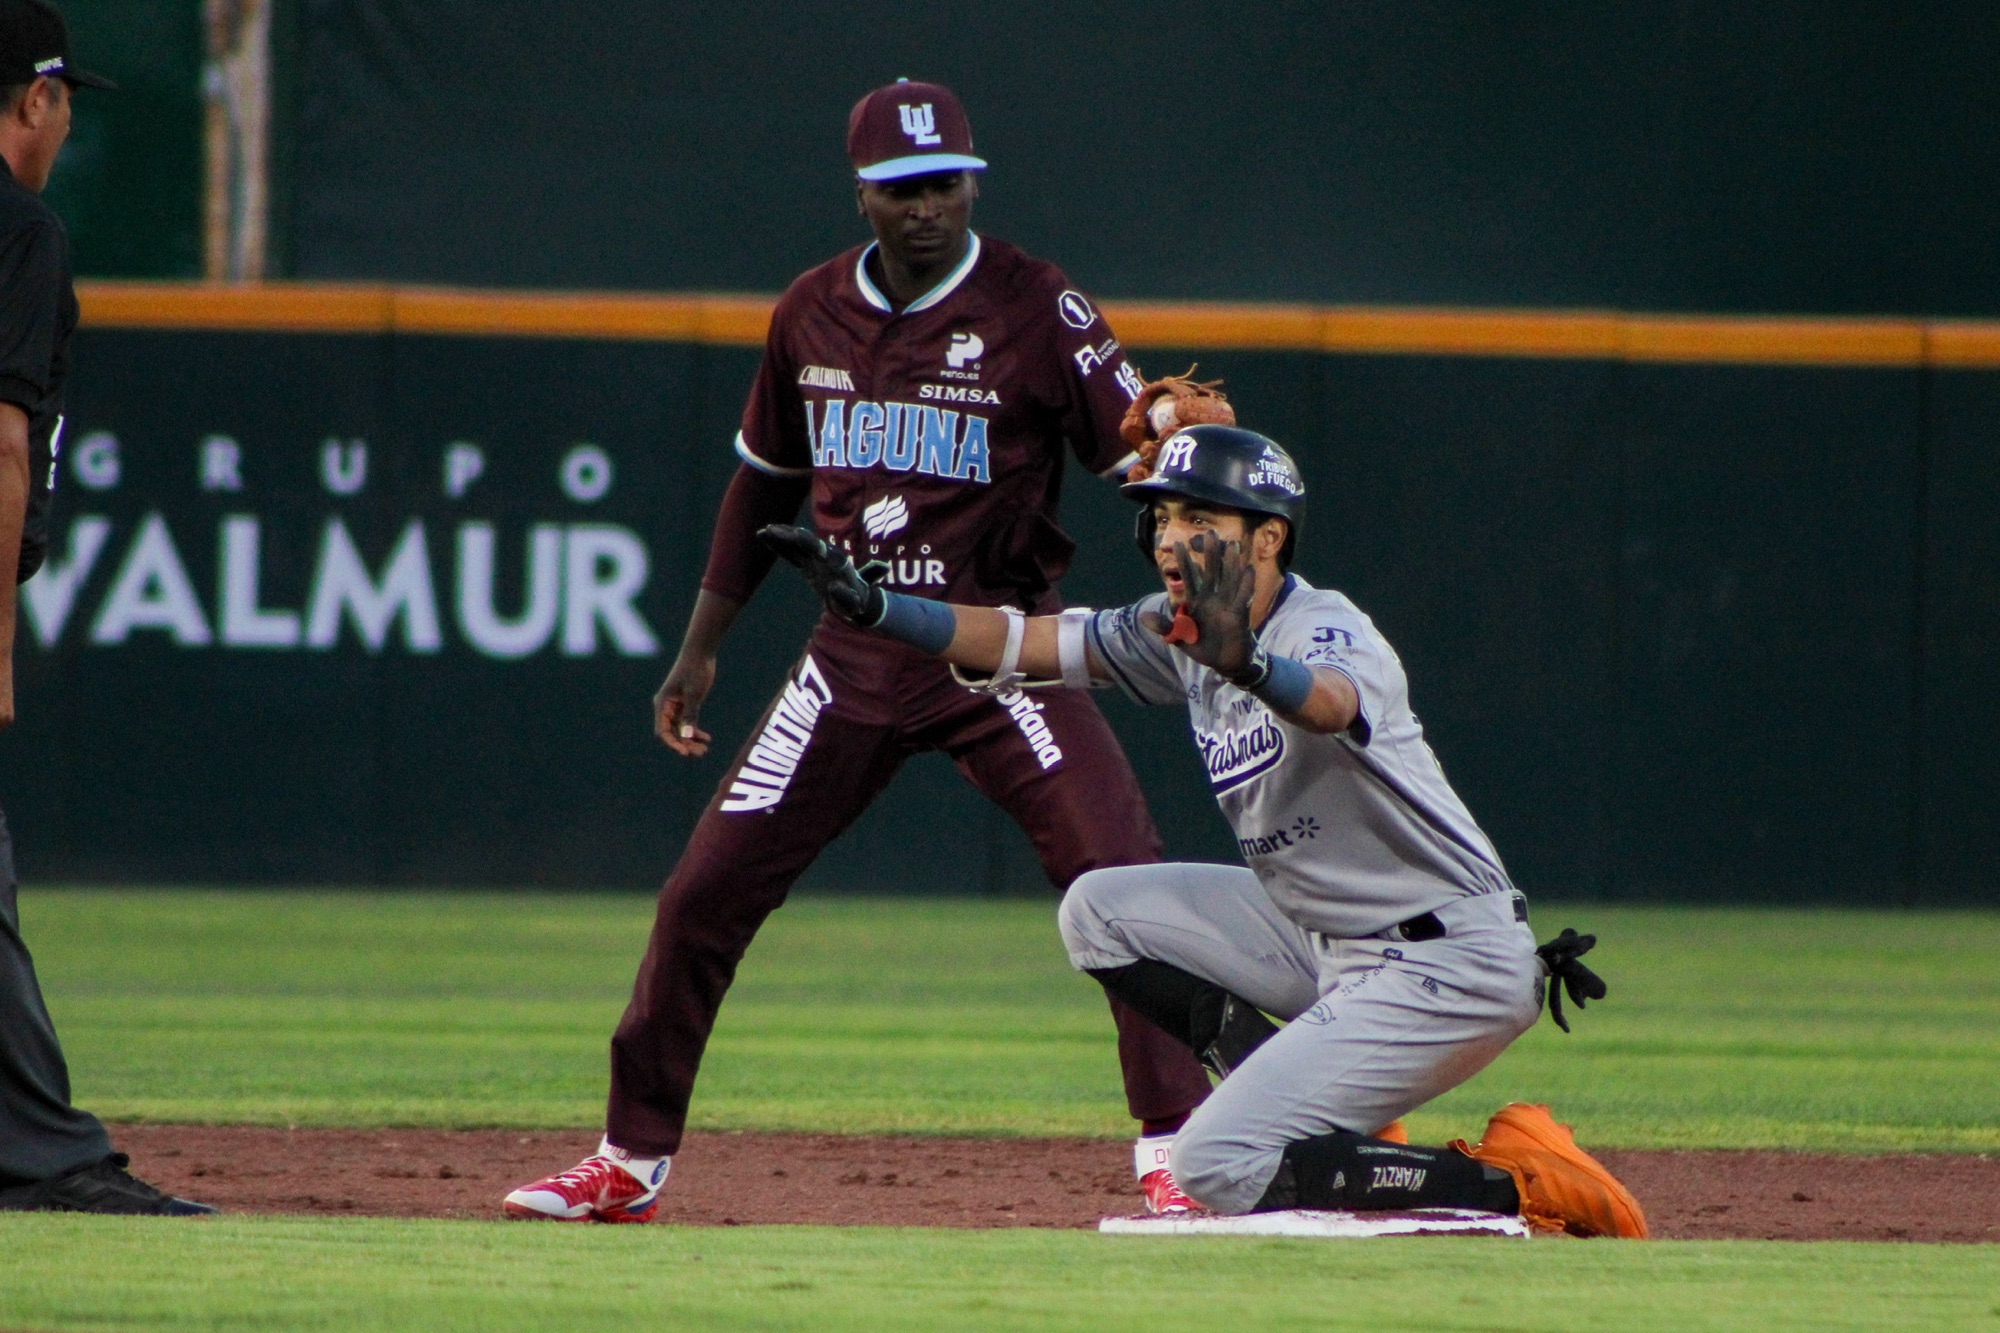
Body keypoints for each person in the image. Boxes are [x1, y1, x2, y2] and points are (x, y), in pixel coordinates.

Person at [504, 79, 1218, 1223]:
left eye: (943, 184)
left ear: (973, 181)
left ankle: (1179, 1155)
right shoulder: (809, 311)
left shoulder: (1040, 305)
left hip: (1002, 651)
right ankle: (628, 1158)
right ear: (861, 194)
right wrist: (699, 650)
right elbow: (762, 485)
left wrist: (1183, 481)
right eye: (899, 189)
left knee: (1121, 879)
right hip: (849, 659)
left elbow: (1140, 454)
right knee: (700, 896)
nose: (925, 206)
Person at [757, 422, 1649, 1237]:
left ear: (1268, 539)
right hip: (1327, 940)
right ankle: (1332, 1120)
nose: (1173, 537)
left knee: (1216, 1164)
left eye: (1200, 516)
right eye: (1164, 515)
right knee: (1097, 911)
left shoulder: (1327, 627)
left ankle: (1521, 1178)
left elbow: (1331, 702)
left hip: (1447, 961)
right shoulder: (1172, 630)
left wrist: (1251, 664)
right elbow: (1027, 642)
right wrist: (883, 614)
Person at [0, 0, 211, 1218]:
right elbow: (2, 449)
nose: (68, 120)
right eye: (64, 97)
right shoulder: (18, 232)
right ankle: (45, 1157)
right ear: (34, 100)